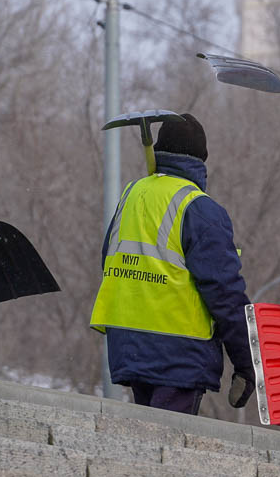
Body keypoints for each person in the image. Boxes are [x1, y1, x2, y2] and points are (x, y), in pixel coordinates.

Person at [90, 114, 255, 416]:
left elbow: (107, 258)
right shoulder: (200, 208)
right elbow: (225, 292)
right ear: (201, 160)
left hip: (129, 343)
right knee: (166, 445)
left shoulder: (131, 194)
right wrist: (246, 362)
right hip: (180, 350)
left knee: (145, 437)